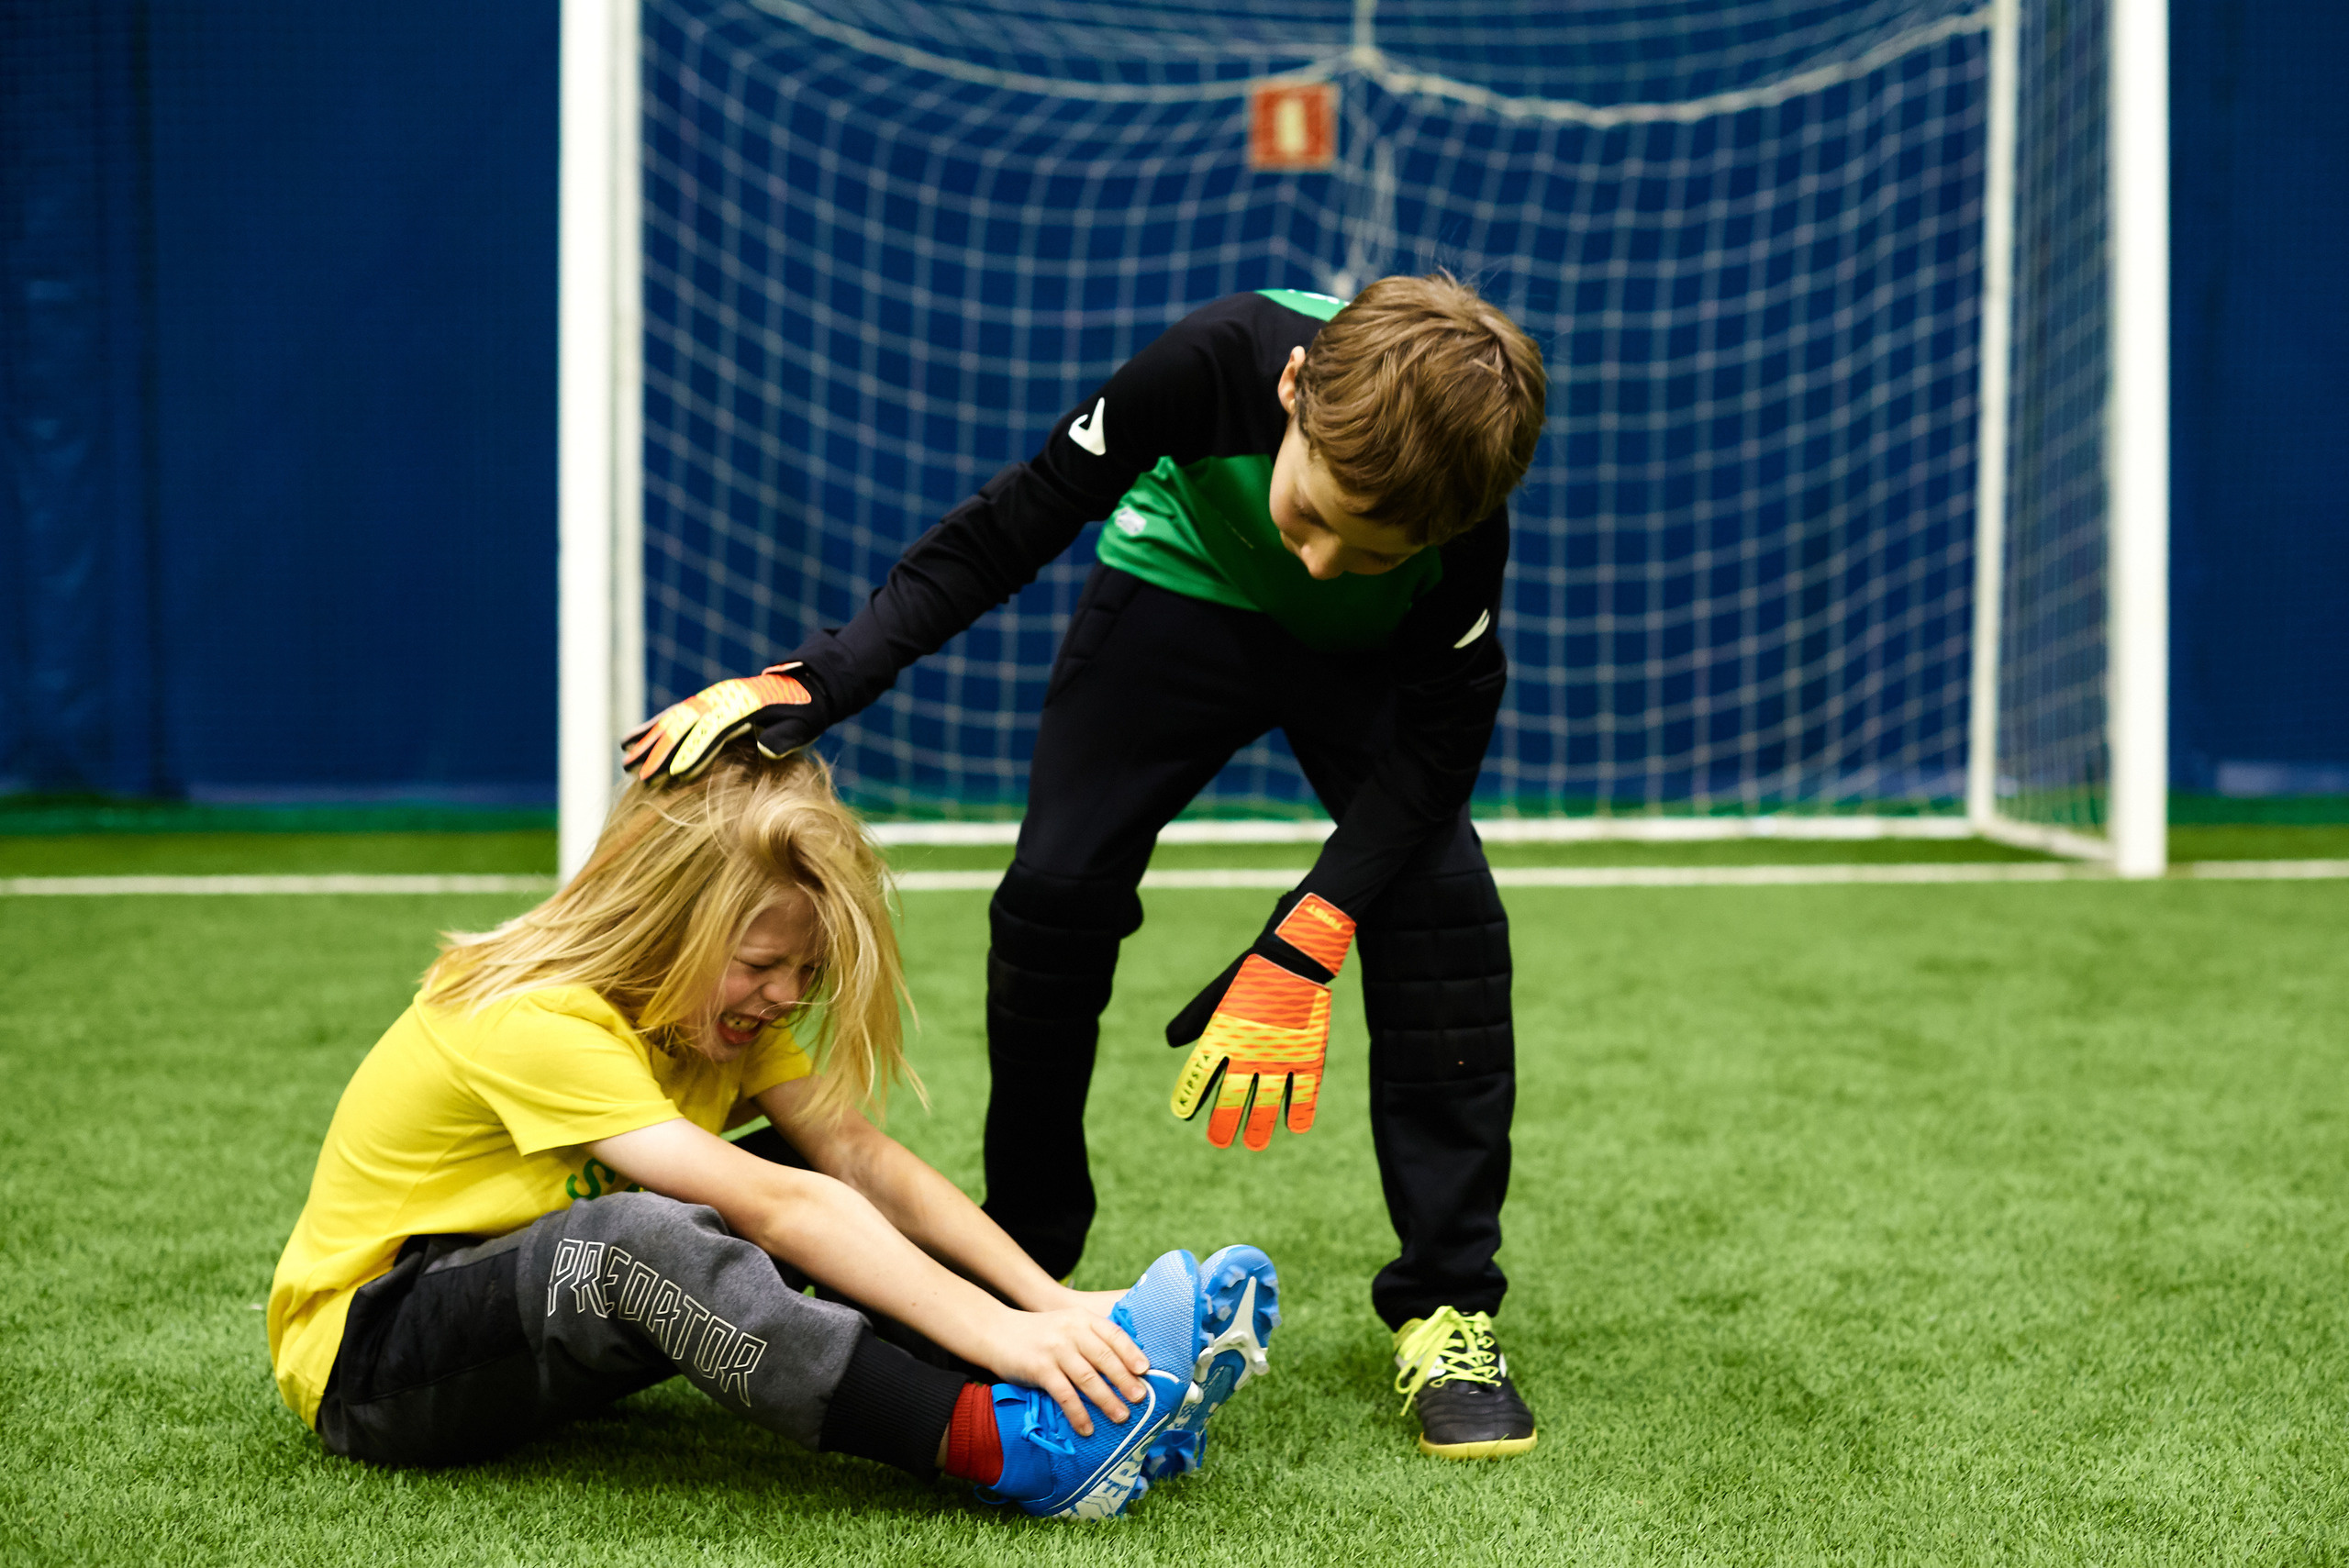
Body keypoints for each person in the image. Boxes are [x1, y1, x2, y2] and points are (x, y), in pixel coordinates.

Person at [623, 272, 1542, 1459]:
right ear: (1293, 389)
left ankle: (1448, 1302)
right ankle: (1024, 1248)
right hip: (1181, 595)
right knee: (1055, 898)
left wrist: (1306, 936)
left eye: (1369, 551)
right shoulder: (1210, 361)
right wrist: (821, 676)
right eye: (1312, 516)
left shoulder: (1463, 508)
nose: (1318, 562)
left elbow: (1434, 756)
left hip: (1370, 672)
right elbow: (1014, 523)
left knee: (1447, 919)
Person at [266, 744, 1279, 1518]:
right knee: (640, 1237)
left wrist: (1048, 1302)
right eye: (760, 963)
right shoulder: (531, 1015)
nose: (785, 994)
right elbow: (776, 1207)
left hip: (518, 1306)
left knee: (817, 1170)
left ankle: (1102, 1398)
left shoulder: (716, 1014)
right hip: (375, 1354)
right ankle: (1006, 1446)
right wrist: (1004, 1331)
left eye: (804, 972)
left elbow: (855, 1158)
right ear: (669, 921)